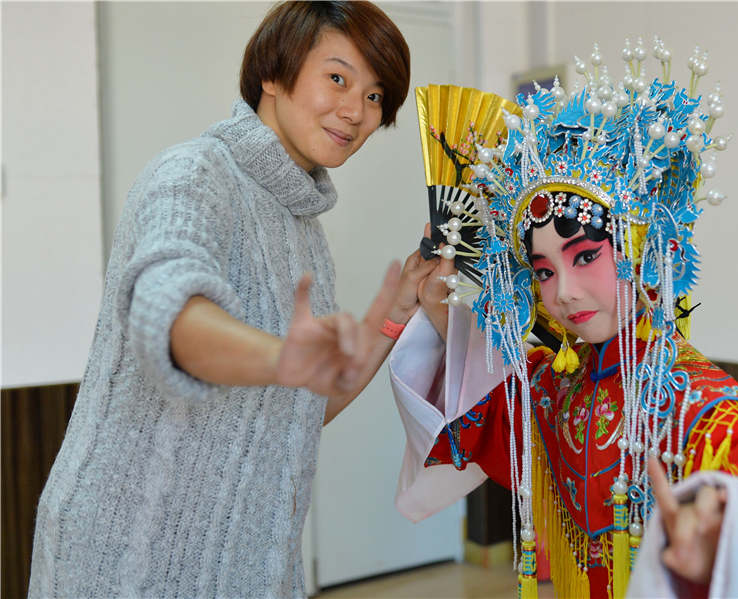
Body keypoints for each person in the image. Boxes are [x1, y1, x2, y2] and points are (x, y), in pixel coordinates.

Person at [389, 40, 738, 598]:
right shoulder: (560, 382)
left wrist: (722, 534)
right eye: (543, 271)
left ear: (640, 248)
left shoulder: (698, 406)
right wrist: (441, 311)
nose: (564, 292)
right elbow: (494, 411)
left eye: (584, 257)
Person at [28, 2, 434, 597]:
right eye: (338, 78)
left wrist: (398, 311)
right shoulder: (193, 174)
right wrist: (276, 357)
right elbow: (169, 314)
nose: (355, 111)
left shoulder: (304, 227)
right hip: (128, 561)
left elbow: (297, 410)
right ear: (273, 73)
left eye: (376, 97)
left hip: (250, 562)